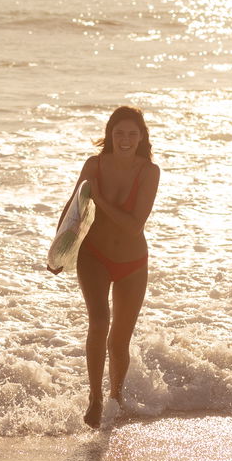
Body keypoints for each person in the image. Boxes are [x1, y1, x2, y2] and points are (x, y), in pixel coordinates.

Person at [64, 105, 160, 428]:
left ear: (142, 137)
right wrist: (58, 253)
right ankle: (95, 397)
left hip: (132, 263)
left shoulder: (149, 172)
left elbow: (135, 226)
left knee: (119, 340)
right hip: (94, 256)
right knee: (98, 322)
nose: (125, 139)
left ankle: (116, 397)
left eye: (132, 134)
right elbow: (71, 212)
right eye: (119, 133)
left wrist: (101, 201)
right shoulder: (94, 165)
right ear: (110, 135)